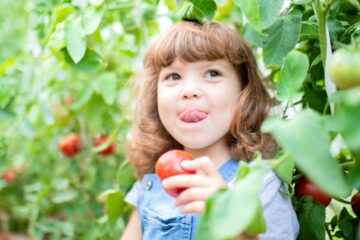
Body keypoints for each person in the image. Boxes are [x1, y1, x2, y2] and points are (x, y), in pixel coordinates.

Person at [121, 20, 299, 240]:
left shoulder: (262, 184)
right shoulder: (151, 182)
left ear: (244, 91)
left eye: (212, 73)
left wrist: (230, 218)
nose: (189, 91)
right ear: (154, 95)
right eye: (173, 76)